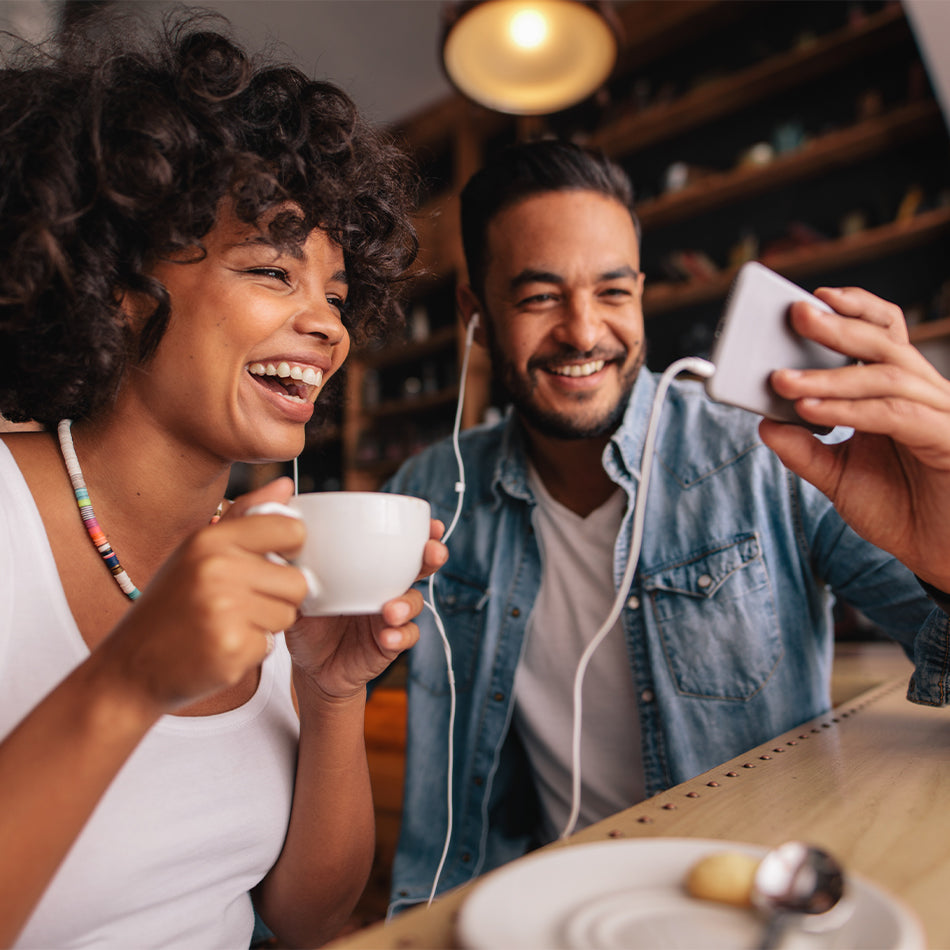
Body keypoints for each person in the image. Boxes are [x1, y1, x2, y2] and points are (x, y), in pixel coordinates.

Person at [383, 139, 950, 912]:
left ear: (642, 292)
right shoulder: (428, 494)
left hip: (749, 909)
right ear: (475, 312)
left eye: (612, 292)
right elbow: (306, 686)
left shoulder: (765, 450)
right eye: (539, 296)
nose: (584, 332)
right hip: (537, 913)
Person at [0, 11, 448, 949]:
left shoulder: (266, 554)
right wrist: (131, 679)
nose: (328, 327)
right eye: (272, 271)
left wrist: (329, 692)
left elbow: (307, 917)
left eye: (335, 292)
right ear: (117, 288)